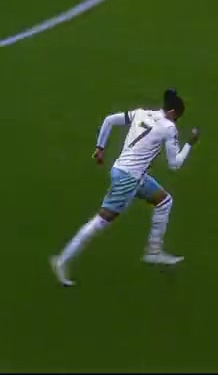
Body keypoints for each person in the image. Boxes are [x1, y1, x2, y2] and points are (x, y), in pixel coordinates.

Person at [51, 88, 201, 286]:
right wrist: (190, 143)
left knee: (164, 201)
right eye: (177, 117)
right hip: (129, 179)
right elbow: (175, 164)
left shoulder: (141, 113)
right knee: (100, 221)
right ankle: (61, 260)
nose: (177, 122)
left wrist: (100, 148)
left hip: (124, 171)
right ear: (173, 112)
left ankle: (154, 251)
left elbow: (109, 120)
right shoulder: (168, 127)